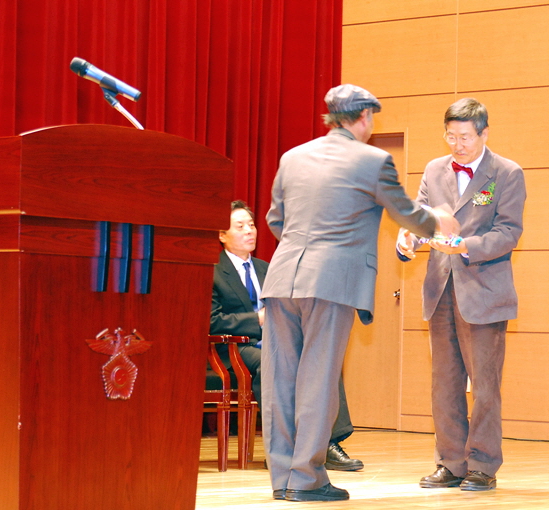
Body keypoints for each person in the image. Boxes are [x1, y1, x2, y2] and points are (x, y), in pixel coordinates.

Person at [260, 84, 459, 502]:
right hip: (332, 283)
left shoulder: (292, 157)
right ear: (365, 117)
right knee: (318, 380)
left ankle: (283, 479)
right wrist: (439, 219)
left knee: (280, 382)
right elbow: (405, 212)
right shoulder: (372, 160)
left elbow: (275, 220)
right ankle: (306, 479)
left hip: (281, 279)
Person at [397, 98, 526, 492]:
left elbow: (508, 232)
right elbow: (420, 217)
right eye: (451, 136)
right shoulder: (434, 169)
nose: (458, 145)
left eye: (465, 137)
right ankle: (451, 462)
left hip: (484, 292)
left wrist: (465, 245)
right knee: (445, 382)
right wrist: (408, 239)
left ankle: (482, 464)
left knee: (484, 386)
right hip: (441, 290)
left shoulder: (506, 173)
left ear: (484, 133)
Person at [209, 200, 363, 471]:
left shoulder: (266, 268)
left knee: (321, 355)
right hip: (233, 349)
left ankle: (328, 442)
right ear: (222, 235)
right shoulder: (212, 270)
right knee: (274, 363)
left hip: (276, 339)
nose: (249, 231)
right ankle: (282, 448)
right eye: (240, 226)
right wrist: (257, 319)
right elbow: (212, 321)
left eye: (251, 225)